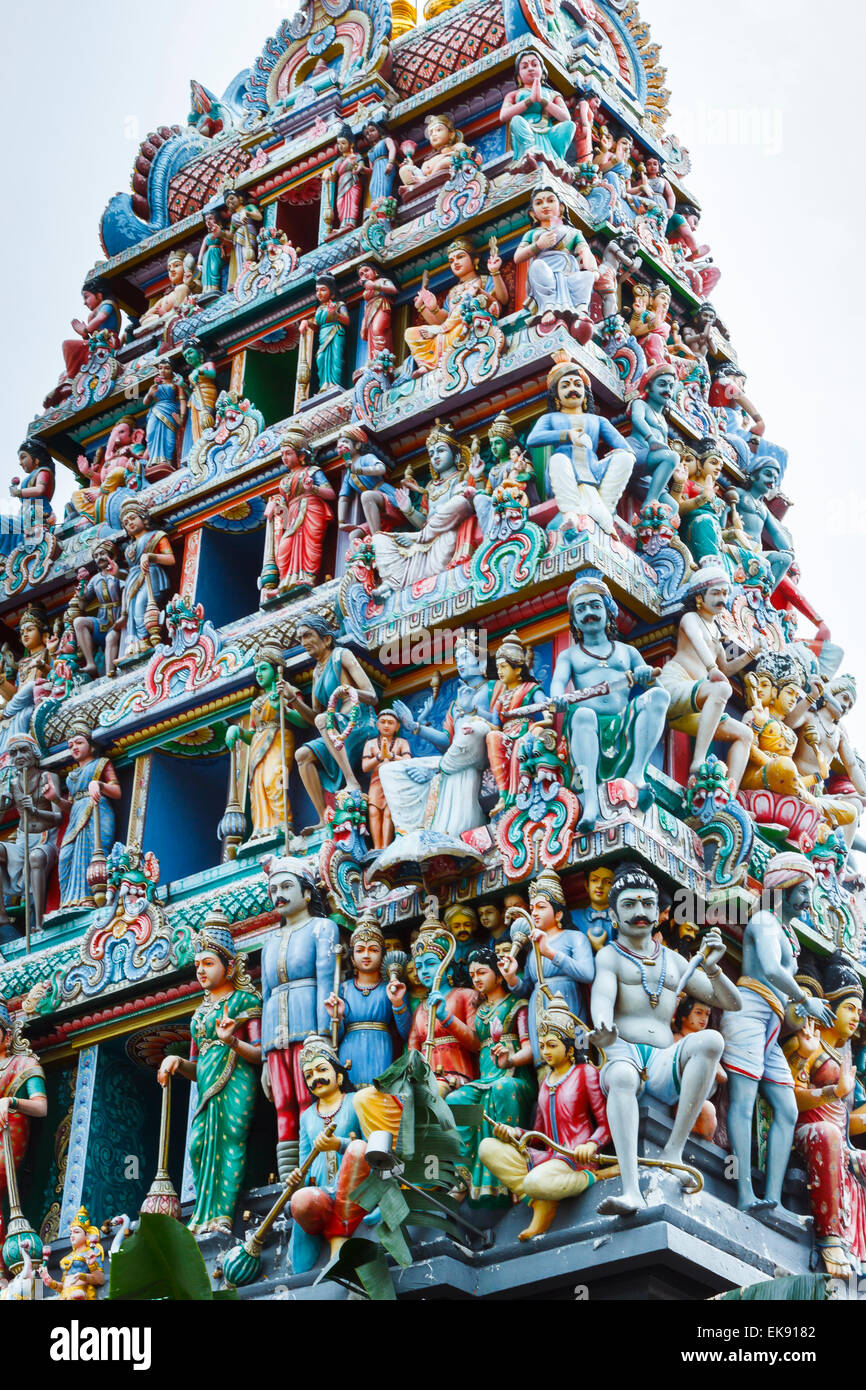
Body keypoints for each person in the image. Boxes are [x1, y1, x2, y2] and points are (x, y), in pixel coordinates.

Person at [590, 863, 741, 1216]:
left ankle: (673, 1152)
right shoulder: (610, 956)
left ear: (658, 913)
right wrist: (601, 1027)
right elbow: (601, 995)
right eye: (628, 905)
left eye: (646, 904)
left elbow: (732, 1002)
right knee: (624, 1077)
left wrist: (715, 968)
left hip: (662, 1061)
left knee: (711, 1042)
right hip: (622, 1052)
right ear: (613, 914)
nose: (639, 912)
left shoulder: (674, 961)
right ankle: (630, 1190)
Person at [721, 853, 833, 1213]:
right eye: (802, 892)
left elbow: (782, 994)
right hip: (749, 1014)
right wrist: (805, 999)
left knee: (786, 1108)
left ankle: (772, 1198)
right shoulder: (765, 921)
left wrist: (798, 1011)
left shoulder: (784, 932)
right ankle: (743, 1193)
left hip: (770, 1023)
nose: (806, 902)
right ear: (782, 889)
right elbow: (769, 968)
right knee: (742, 1100)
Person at [158, 912, 262, 1233]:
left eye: (209, 963)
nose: (201, 971)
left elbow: (260, 1053)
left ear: (229, 967)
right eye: (198, 964)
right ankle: (202, 1216)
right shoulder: (199, 1014)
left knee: (231, 1140)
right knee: (200, 1144)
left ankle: (223, 1214)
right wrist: (177, 1064)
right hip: (206, 1089)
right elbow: (197, 1066)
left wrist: (232, 1041)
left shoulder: (246, 1000)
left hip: (237, 1079)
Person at [479, 993, 611, 1238]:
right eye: (541, 1046)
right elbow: (539, 1137)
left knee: (533, 1182)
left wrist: (591, 1144)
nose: (545, 1052)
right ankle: (540, 1201)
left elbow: (606, 1123)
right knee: (487, 1147)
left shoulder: (585, 1073)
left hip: (575, 1158)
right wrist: (514, 1133)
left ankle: (591, 1177)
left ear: (569, 1046)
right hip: (548, 1158)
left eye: (552, 1045)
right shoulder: (546, 1081)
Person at [549, 571, 669, 827]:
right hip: (586, 724)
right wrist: (557, 699)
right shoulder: (570, 656)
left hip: (622, 723)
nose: (588, 612)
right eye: (580, 609)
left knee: (659, 696)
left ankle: (636, 773)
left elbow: (658, 691)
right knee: (582, 714)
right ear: (574, 620)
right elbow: (558, 684)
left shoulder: (628, 652)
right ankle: (590, 800)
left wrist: (646, 677)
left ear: (607, 612)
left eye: (595, 606)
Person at [288, 1034, 402, 1273]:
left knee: (358, 1148)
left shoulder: (354, 1101)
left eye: (321, 1070)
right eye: (309, 1075)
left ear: (338, 1075)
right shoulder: (307, 1116)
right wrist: (296, 1180)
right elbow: (304, 1164)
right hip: (323, 1194)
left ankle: (339, 1240)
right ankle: (336, 1232)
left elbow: (374, 1147)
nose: (316, 1078)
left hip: (356, 1190)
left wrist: (339, 1145)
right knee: (300, 1201)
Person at [784, 952, 866, 1278]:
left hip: (838, 1140)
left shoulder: (844, 1055)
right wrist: (834, 1091)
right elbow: (788, 1098)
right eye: (849, 1008)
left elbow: (847, 1121)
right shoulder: (810, 1045)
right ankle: (829, 1239)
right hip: (804, 1132)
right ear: (829, 1008)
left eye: (860, 1011)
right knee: (827, 1134)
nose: (857, 1017)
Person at [259, 857, 339, 1179]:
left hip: (309, 1029)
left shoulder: (322, 928)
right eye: (273, 889)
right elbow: (266, 995)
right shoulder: (269, 943)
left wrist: (321, 1034)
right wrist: (265, 1056)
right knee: (283, 1104)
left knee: (311, 1097)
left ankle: (315, 1172)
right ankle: (288, 1177)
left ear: (307, 893)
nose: (279, 894)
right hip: (274, 1034)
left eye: (287, 886)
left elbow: (326, 979)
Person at [446, 946, 536, 1203]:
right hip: (485, 1078)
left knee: (502, 1089)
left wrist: (511, 1058)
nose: (476, 979)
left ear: (498, 974)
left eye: (482, 972)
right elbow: (475, 1043)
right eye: (473, 974)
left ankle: (516, 1171)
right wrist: (445, 1016)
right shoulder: (481, 1010)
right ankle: (463, 1177)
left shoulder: (517, 1005)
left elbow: (530, 1048)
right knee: (455, 1101)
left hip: (513, 1077)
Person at [656, 562, 755, 793]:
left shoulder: (717, 632)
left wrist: (752, 653)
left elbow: (727, 668)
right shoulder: (690, 618)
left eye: (725, 593)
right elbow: (698, 644)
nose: (722, 598)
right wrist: (711, 669)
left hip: (695, 706)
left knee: (745, 733)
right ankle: (698, 761)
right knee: (722, 689)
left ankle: (728, 792)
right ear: (700, 597)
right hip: (674, 687)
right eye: (715, 593)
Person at [283, 614, 378, 832]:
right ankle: (323, 817)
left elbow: (372, 695)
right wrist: (291, 699)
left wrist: (348, 690)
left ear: (326, 639)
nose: (304, 642)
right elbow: (314, 717)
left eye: (307, 635)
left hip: (359, 721)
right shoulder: (317, 671)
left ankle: (351, 780)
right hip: (335, 727)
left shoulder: (342, 655)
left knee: (324, 719)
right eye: (300, 639)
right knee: (302, 755)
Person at [526, 358, 633, 536]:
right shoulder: (551, 419)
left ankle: (604, 508)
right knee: (557, 460)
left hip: (594, 473)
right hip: (564, 473)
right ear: (556, 396)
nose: (572, 389)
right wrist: (568, 435)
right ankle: (570, 512)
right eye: (565, 386)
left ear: (585, 393)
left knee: (626, 458)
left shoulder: (598, 421)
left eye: (577, 384)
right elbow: (533, 439)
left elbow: (625, 448)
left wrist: (618, 453)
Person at [499, 868, 595, 1067]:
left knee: (576, 1062)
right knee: (544, 1068)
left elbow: (587, 973)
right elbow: (526, 989)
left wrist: (550, 952)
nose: (534, 913)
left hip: (569, 1005)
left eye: (541, 907)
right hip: (539, 1010)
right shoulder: (533, 948)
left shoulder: (573, 938)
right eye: (532, 908)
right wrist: (511, 979)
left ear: (558, 913)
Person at [225, 644, 304, 841]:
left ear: (276, 669)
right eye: (257, 670)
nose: (259, 674)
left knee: (274, 779)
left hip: (279, 736)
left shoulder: (288, 690)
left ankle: (283, 824)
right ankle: (262, 830)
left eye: (264, 669)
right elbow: (252, 735)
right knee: (257, 786)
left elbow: (304, 720)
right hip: (259, 743)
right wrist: (239, 732)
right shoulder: (257, 703)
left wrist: (284, 708)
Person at [325, 913, 412, 1083]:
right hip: (349, 1048)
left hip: (380, 1047)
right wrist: (337, 1016)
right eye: (360, 950)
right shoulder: (343, 988)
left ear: (382, 956)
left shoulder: (392, 988)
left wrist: (397, 1002)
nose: (366, 955)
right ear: (351, 957)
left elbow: (407, 1032)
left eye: (373, 950)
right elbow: (335, 1037)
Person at [404, 236, 507, 374]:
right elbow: (445, 319)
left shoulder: (482, 280)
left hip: (468, 327)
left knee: (466, 301)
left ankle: (440, 333)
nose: (455, 263)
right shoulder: (452, 292)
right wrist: (426, 308)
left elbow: (501, 300)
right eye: (451, 261)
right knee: (410, 333)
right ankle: (427, 365)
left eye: (460, 257)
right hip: (450, 332)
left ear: (475, 260)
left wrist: (494, 272)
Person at [45, 721, 120, 911]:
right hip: (77, 817)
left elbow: (117, 791)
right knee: (66, 857)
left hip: (97, 813)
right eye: (71, 746)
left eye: (78, 743)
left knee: (91, 854)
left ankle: (91, 898)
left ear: (91, 745)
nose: (74, 748)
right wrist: (55, 799)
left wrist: (100, 785)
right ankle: (70, 902)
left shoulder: (101, 764)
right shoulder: (71, 776)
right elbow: (70, 806)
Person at [407, 916, 480, 1095]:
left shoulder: (465, 995)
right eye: (419, 966)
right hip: (425, 1077)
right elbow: (412, 1052)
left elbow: (476, 1043)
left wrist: (445, 1017)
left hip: (456, 1075)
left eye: (430, 963)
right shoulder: (420, 1008)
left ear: (447, 966)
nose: (423, 970)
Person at [0, 998, 47, 1268]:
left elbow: (40, 1107)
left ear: (7, 1036)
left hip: (10, 1130)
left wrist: (11, 1102)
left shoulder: (23, 1064)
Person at [261, 429, 335, 598]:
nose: (284, 458)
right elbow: (285, 514)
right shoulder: (284, 481)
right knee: (284, 547)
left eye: (288, 453)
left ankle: (308, 577)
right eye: (282, 454)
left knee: (310, 545)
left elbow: (331, 493)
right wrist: (276, 508)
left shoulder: (313, 471)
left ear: (301, 456)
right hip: (293, 514)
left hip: (311, 508)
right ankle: (285, 583)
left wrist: (313, 488)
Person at [514, 186, 597, 334]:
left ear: (562, 208)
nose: (545, 205)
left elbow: (585, 251)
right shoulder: (532, 233)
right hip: (545, 271)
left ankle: (581, 309)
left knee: (586, 276)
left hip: (568, 273)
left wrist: (593, 269)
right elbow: (518, 257)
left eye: (550, 201)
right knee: (538, 267)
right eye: (539, 203)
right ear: (533, 213)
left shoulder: (573, 232)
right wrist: (538, 245)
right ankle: (547, 308)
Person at [113, 499, 174, 662]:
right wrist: (117, 573)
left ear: (143, 518)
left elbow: (170, 559)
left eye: (133, 518)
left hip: (151, 575)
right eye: (126, 522)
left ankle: (146, 643)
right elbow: (130, 574)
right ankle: (135, 647)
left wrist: (151, 556)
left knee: (141, 606)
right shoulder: (129, 548)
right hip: (134, 580)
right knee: (133, 611)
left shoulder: (156, 536)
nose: (130, 523)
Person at [500, 50, 575, 168]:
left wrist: (541, 100)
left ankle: (557, 160)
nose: (530, 68)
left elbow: (565, 117)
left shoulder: (552, 94)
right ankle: (529, 153)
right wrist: (530, 100)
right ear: (519, 76)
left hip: (547, 132)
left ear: (543, 72)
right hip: (525, 131)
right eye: (525, 67)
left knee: (570, 126)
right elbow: (503, 116)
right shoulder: (514, 94)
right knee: (516, 120)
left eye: (535, 65)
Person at [672, 996, 725, 1140]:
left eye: (707, 1014)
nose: (703, 1019)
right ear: (684, 1016)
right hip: (677, 1096)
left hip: (699, 1098)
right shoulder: (677, 1039)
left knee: (707, 1114)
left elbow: (723, 1076)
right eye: (698, 1012)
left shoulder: (706, 1045)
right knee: (706, 1111)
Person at [361, 708, 411, 849]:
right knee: (373, 812)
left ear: (397, 726)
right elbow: (365, 767)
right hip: (376, 783)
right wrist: (379, 757)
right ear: (377, 725)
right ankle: (377, 847)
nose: (386, 725)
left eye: (391, 722)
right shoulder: (370, 744)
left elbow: (408, 762)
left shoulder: (402, 742)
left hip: (394, 782)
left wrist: (390, 756)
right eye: (383, 722)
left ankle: (385, 846)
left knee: (389, 812)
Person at [300, 274, 350, 392]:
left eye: (323, 290)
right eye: (317, 290)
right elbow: (317, 326)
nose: (319, 293)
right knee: (321, 358)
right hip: (323, 334)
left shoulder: (339, 305)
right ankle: (324, 385)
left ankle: (334, 384)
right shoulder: (320, 309)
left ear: (332, 291)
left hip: (335, 332)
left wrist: (335, 315)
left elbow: (347, 320)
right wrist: (306, 322)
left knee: (336, 360)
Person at [322, 124, 367, 233]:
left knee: (352, 203)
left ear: (351, 144)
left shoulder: (356, 156)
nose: (340, 146)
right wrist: (327, 173)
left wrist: (358, 168)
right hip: (341, 185)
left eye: (343, 143)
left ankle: (350, 223)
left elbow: (362, 166)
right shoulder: (337, 161)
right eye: (338, 144)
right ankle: (343, 225)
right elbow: (333, 178)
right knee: (340, 205)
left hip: (352, 183)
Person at [143, 361, 186, 473]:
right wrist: (150, 393)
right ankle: (154, 461)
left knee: (169, 438)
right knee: (151, 434)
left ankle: (167, 462)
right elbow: (145, 402)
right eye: (160, 368)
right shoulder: (155, 386)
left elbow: (182, 401)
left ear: (172, 371)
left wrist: (181, 417)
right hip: (156, 410)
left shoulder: (176, 384)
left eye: (167, 368)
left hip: (170, 410)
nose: (162, 370)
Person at [571, 864, 614, 950]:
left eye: (607, 882)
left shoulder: (621, 918)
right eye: (594, 880)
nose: (600, 886)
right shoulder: (573, 917)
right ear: (587, 885)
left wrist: (599, 947)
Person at [363, 119, 398, 202]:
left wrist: (390, 163)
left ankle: (384, 203)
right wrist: (362, 169)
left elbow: (392, 149)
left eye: (372, 130)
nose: (370, 134)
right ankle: (377, 206)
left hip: (385, 165)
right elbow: (371, 170)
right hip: (375, 173)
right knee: (373, 188)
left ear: (378, 130)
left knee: (385, 185)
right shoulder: (369, 152)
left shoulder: (386, 140)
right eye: (367, 134)